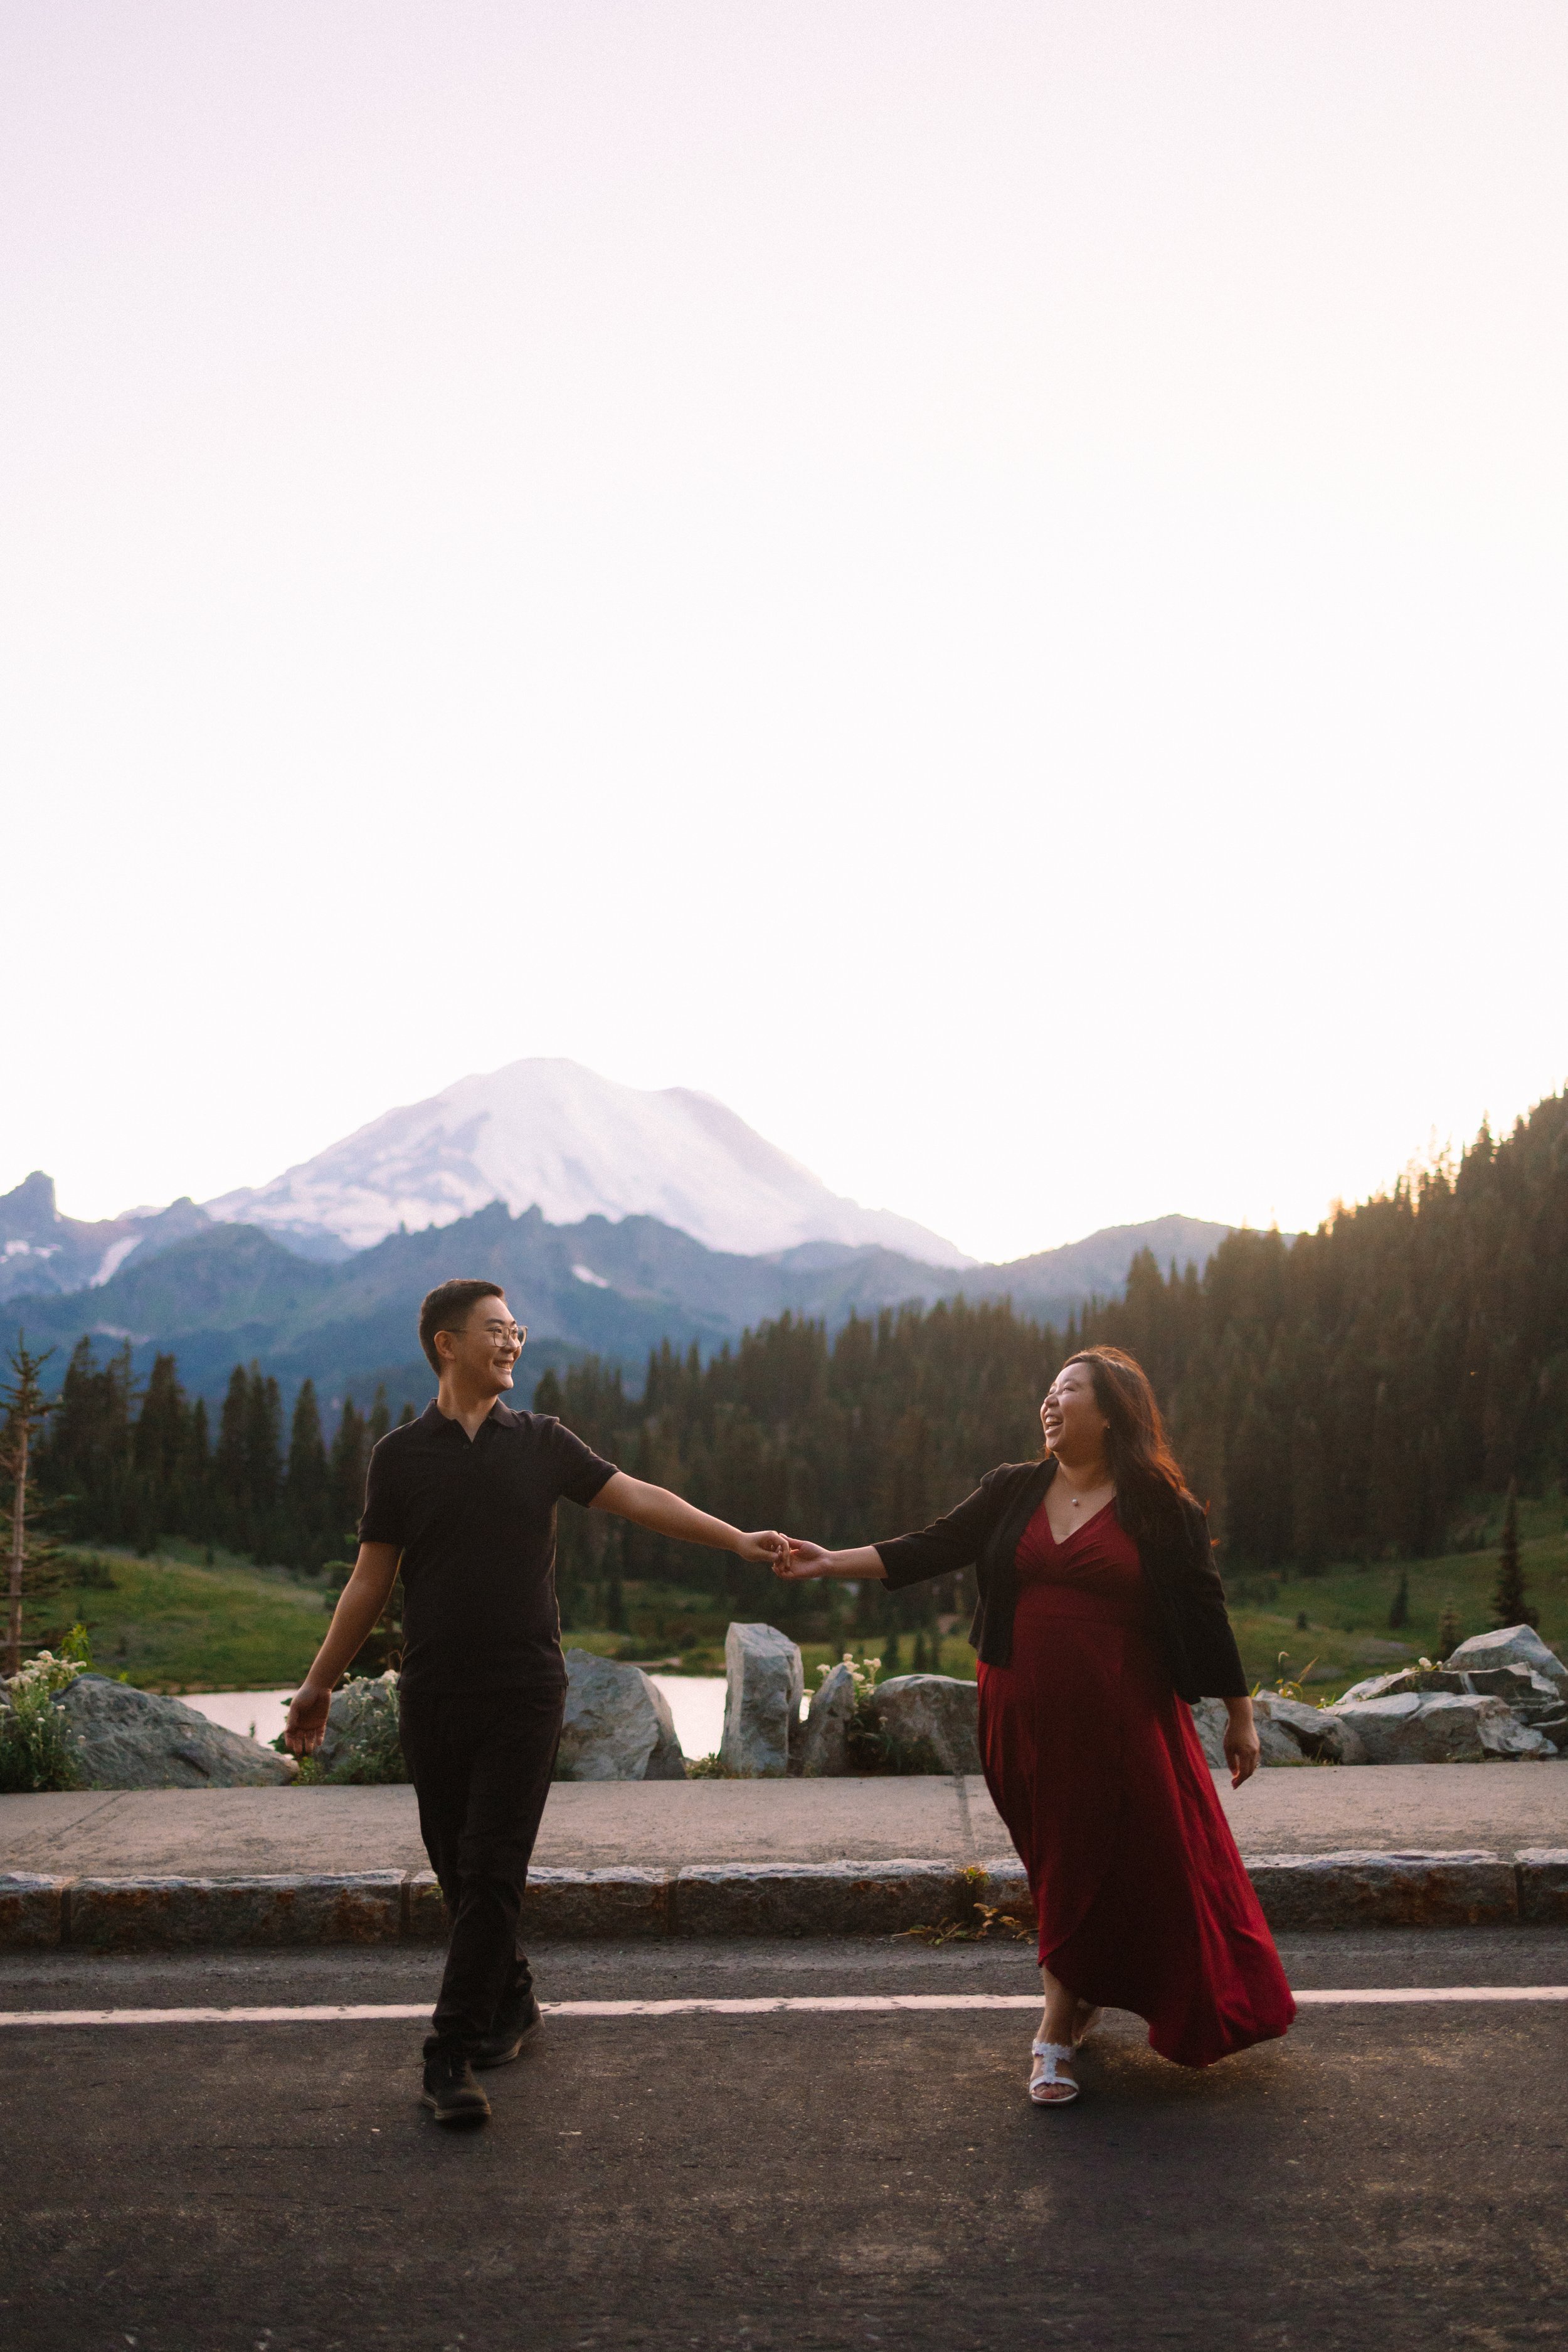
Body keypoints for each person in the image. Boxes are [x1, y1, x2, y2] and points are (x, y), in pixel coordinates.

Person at [284, 1278, 788, 2127]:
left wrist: (736, 1538)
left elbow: (639, 1497)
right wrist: (319, 1681)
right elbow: (371, 1580)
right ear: (448, 1344)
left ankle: (449, 2052)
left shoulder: (544, 1441)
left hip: (526, 1689)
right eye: (496, 1329)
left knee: (491, 1865)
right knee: (458, 1869)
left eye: (518, 1328)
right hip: (435, 1691)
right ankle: (512, 1997)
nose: (514, 1340)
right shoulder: (400, 1456)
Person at [773, 1343, 1295, 2104]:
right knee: (1060, 1860)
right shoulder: (1012, 1489)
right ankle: (1073, 2001)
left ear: (1113, 1408)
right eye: (1047, 1392)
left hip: (1124, 1718)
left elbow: (1203, 1612)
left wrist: (1239, 1718)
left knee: (1142, 1863)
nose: (1050, 1403)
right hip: (1021, 1713)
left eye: (1069, 1391)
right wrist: (827, 1563)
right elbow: (930, 1547)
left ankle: (1056, 2030)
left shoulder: (1158, 1507)